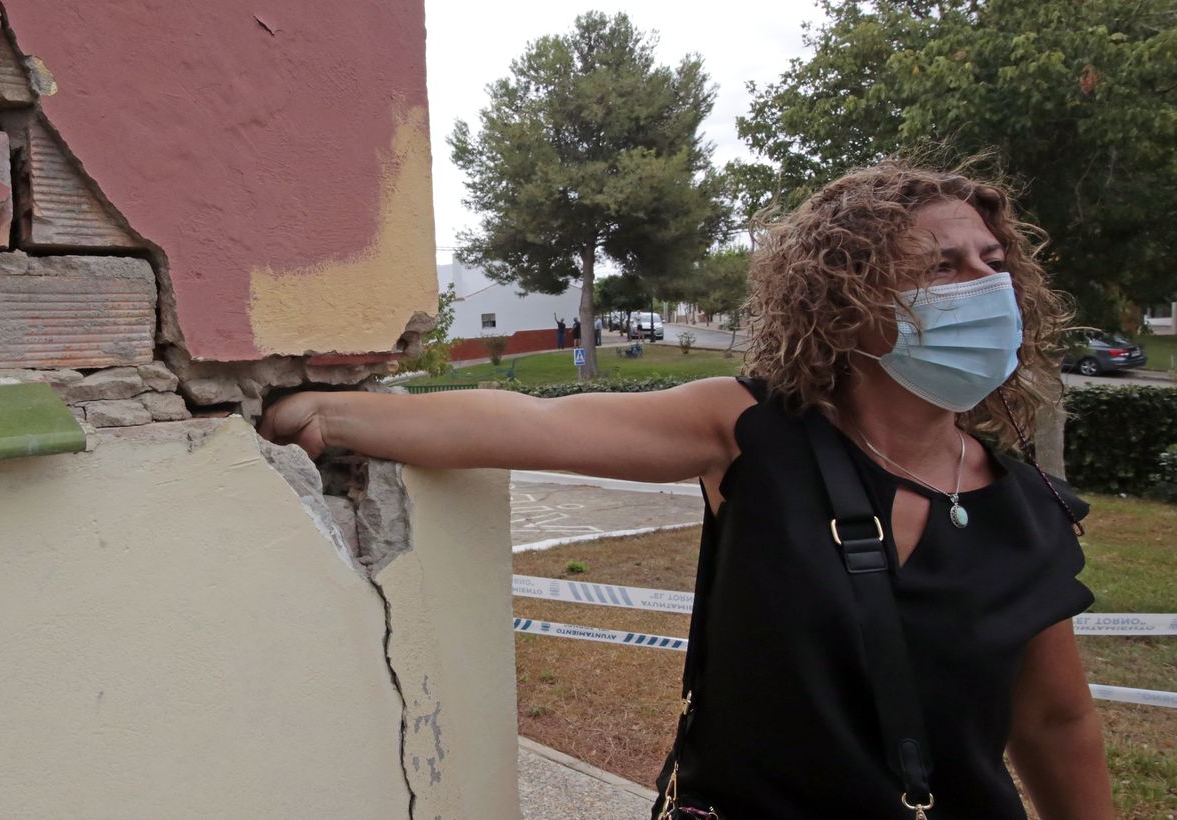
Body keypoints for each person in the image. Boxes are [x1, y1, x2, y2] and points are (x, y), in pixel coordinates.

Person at [261, 162, 1112, 819]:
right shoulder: (752, 432)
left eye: (992, 262)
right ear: (850, 301)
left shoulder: (1026, 504)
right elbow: (536, 425)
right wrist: (324, 416)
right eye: (944, 265)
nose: (987, 285)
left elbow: (1056, 723)